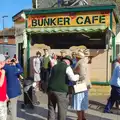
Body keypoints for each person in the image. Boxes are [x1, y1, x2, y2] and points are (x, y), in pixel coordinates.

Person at [47, 55, 80, 120]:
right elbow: (72, 78)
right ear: (68, 62)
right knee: (62, 110)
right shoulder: (67, 67)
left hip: (50, 90)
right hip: (61, 92)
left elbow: (50, 77)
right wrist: (78, 76)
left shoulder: (54, 67)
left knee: (51, 108)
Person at [72, 49, 90, 120]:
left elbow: (82, 75)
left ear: (78, 57)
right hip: (84, 85)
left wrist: (75, 77)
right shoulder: (84, 61)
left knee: (79, 103)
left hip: (80, 85)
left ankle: (80, 118)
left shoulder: (80, 63)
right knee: (81, 103)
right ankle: (82, 117)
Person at [0, 54, 8, 120]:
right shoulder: (2, 72)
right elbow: (0, 84)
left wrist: (6, 94)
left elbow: (4, 85)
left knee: (4, 116)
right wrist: (3, 74)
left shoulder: (2, 71)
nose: (2, 62)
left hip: (3, 98)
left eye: (3, 61)